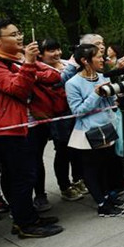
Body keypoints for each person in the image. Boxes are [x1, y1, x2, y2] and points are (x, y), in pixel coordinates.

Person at [0, 19, 63, 239]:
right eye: (13, 34)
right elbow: (18, 89)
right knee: (21, 176)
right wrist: (29, 65)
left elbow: (54, 75)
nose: (20, 37)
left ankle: (27, 216)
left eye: (19, 33)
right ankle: (25, 224)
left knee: (29, 172)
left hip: (30, 124)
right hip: (8, 129)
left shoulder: (18, 59)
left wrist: (28, 67)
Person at [64, 44, 124, 217]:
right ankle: (101, 204)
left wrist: (114, 94)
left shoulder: (102, 77)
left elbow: (110, 102)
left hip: (107, 127)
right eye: (98, 56)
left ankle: (107, 197)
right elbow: (77, 111)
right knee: (92, 169)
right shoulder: (72, 83)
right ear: (85, 60)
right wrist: (96, 94)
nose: (103, 60)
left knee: (106, 166)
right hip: (88, 132)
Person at [37, 39, 83, 202]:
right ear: (40, 55)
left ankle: (78, 179)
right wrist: (72, 67)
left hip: (74, 110)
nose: (56, 53)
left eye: (58, 49)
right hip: (58, 114)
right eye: (51, 51)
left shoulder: (65, 63)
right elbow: (57, 82)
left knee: (77, 148)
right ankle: (65, 186)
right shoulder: (39, 68)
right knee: (63, 151)